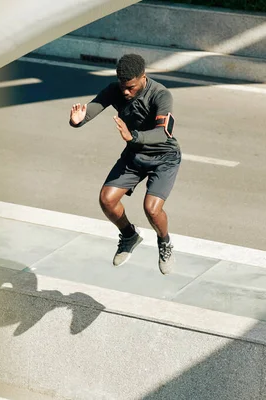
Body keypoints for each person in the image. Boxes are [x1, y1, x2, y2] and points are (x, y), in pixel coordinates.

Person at [69, 54, 181, 274]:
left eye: (130, 87)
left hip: (164, 158)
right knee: (106, 200)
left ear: (143, 77)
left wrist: (132, 137)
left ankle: (164, 242)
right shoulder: (115, 90)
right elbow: (91, 110)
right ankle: (129, 236)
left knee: (151, 208)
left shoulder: (161, 95)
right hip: (134, 155)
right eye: (123, 87)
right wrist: (77, 120)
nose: (126, 92)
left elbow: (163, 133)